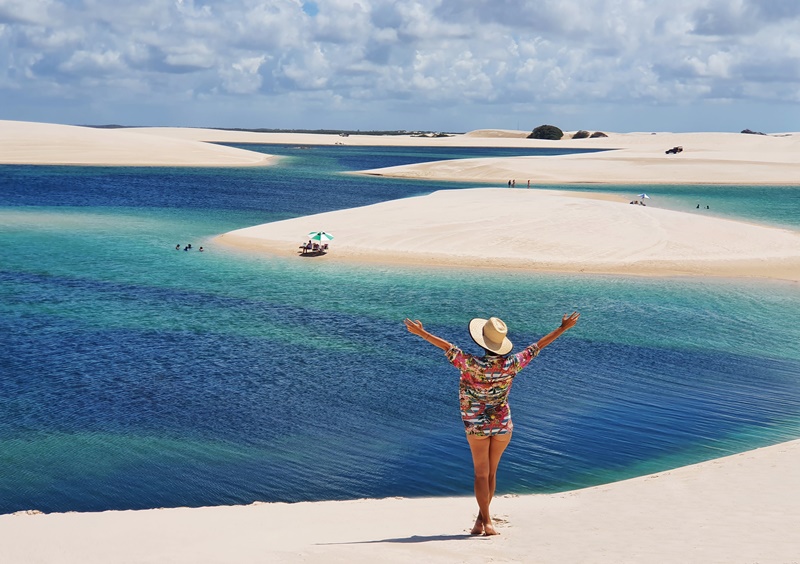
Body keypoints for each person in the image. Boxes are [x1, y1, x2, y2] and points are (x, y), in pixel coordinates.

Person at [404, 311, 580, 536]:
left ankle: (487, 522)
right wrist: (562, 328)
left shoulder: (470, 364)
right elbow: (537, 347)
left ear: (482, 341)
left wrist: (422, 333)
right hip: (502, 423)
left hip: (476, 425)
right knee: (491, 473)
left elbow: (447, 347)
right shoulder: (512, 363)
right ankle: (481, 520)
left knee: (481, 474)